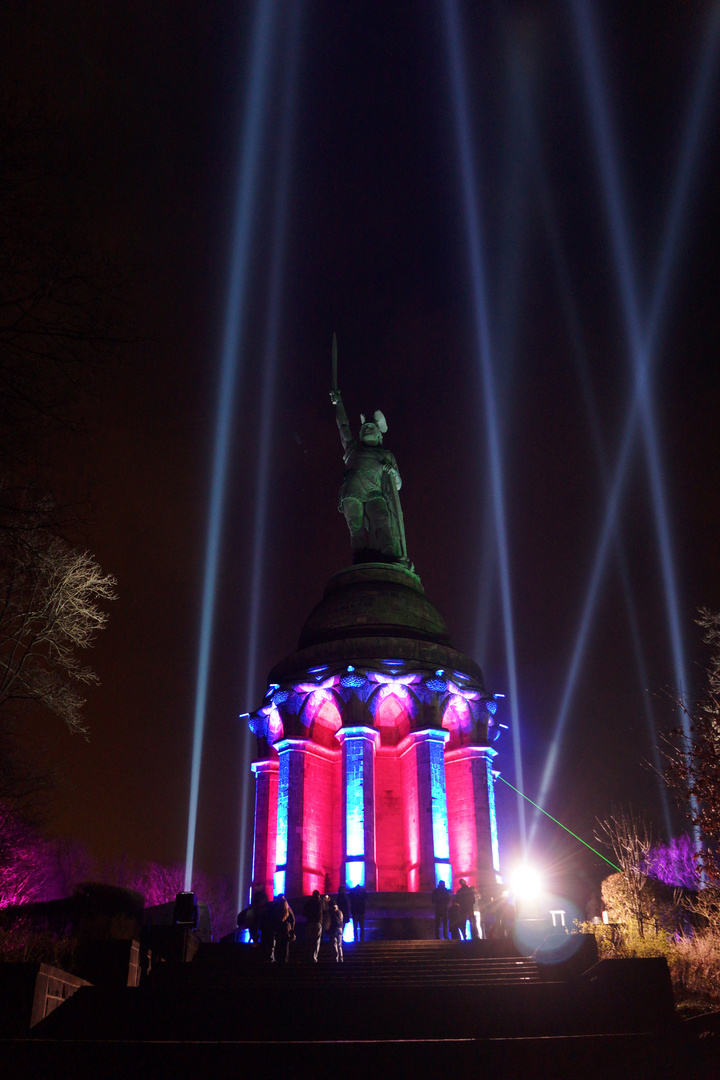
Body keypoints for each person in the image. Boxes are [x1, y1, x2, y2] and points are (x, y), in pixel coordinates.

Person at [330, 389, 408, 566]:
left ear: (380, 435)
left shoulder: (386, 455)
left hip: (374, 492)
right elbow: (343, 426)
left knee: (382, 517)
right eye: (364, 428)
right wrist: (338, 402)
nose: (366, 429)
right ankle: (359, 557)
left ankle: (390, 555)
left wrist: (393, 472)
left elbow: (398, 485)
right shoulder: (354, 450)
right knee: (355, 525)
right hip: (351, 490)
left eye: (370, 427)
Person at [268, 896, 295, 963]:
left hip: (278, 931)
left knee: (278, 947)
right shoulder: (288, 910)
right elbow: (293, 920)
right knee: (285, 949)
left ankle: (278, 961)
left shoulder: (276, 910)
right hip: (286, 931)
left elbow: (272, 921)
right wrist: (291, 929)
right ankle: (284, 961)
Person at [302, 888, 325, 962]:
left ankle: (307, 956)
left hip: (310, 922)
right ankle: (314, 957)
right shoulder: (320, 902)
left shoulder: (309, 902)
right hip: (317, 923)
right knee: (316, 941)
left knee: (308, 940)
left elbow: (304, 913)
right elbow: (324, 911)